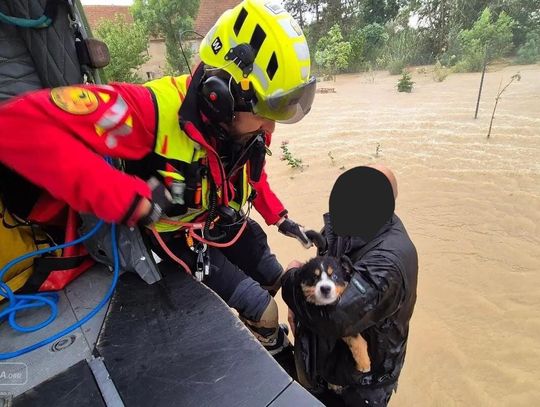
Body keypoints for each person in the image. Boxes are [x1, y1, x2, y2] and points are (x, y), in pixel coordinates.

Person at [0, 0, 316, 355]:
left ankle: (273, 334)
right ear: (220, 97)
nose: (271, 126)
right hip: (183, 239)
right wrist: (124, 196)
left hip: (224, 221)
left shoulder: (249, 126)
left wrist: (281, 218)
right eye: (265, 113)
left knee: (284, 279)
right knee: (266, 310)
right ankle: (272, 345)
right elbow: (15, 127)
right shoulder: (145, 111)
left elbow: (252, 176)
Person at [281, 164, 418, 406]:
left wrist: (292, 278)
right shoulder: (345, 222)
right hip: (324, 360)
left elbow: (336, 317)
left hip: (361, 383)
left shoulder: (388, 262)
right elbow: (323, 267)